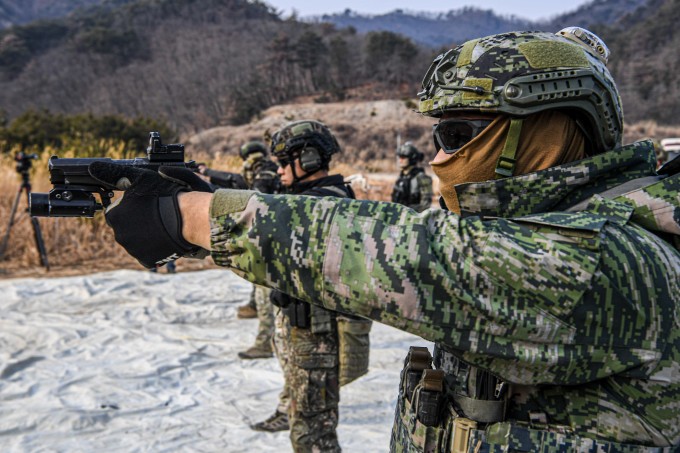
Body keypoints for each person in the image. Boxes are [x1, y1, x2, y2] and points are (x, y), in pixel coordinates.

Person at [86, 27, 679, 452]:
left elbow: (410, 254)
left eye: (456, 132)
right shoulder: (549, 226)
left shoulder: (610, 256)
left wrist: (191, 215)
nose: (441, 155)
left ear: (547, 132)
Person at [249, 120, 372, 451]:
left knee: (312, 433)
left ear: (309, 160)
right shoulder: (312, 197)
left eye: (283, 161)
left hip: (318, 335)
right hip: (306, 330)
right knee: (305, 425)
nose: (279, 170)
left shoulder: (323, 203)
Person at [234, 141, 281, 358]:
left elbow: (258, 200)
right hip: (269, 238)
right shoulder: (272, 170)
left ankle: (265, 343)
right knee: (260, 288)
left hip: (270, 240)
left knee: (266, 294)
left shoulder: (266, 174)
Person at [391, 142, 433, 212]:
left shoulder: (421, 178)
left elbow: (425, 205)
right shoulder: (401, 178)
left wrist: (406, 210)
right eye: (399, 157)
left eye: (403, 157)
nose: (400, 160)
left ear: (411, 158)